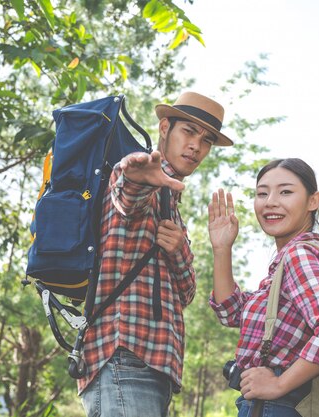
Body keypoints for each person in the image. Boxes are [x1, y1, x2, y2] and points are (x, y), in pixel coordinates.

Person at [79, 92, 234, 417]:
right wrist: (136, 178)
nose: (196, 146)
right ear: (165, 127)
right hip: (125, 355)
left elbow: (187, 292)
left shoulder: (171, 203)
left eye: (206, 140)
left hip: (151, 365)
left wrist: (179, 250)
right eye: (188, 132)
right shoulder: (135, 172)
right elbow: (127, 195)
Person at [207, 158, 319, 417]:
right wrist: (222, 249)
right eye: (262, 193)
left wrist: (279, 383)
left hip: (279, 405)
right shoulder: (285, 264)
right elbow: (231, 312)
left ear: (313, 201)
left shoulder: (299, 256)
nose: (270, 202)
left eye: (286, 191)